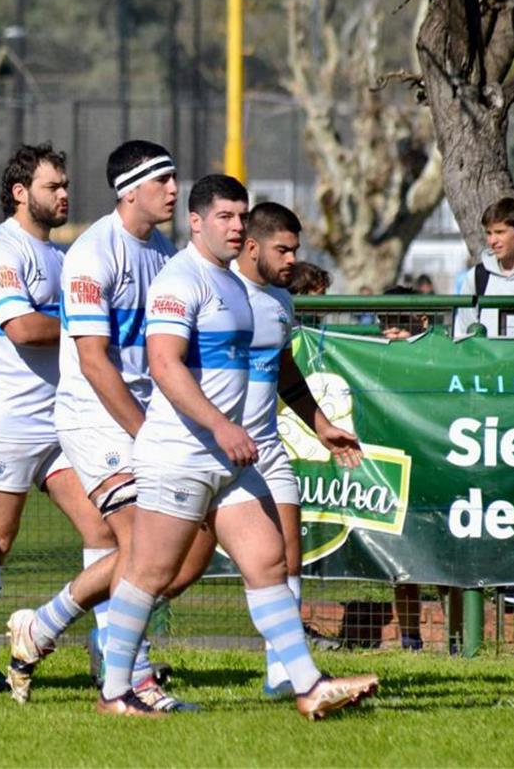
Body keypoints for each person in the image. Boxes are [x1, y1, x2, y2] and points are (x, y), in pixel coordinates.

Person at [94, 175, 378, 718]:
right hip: (182, 454)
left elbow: (276, 368)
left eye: (241, 216)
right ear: (195, 222)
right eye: (224, 216)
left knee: (269, 561)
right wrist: (222, 426)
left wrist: (317, 422)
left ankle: (307, 685)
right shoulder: (180, 280)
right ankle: (114, 692)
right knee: (151, 575)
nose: (235, 226)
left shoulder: (240, 289)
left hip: (231, 458)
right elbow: (164, 365)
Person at [5, 142, 185, 713]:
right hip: (95, 416)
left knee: (176, 554)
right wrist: (146, 431)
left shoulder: (165, 253)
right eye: (164, 181)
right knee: (141, 547)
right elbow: (92, 362)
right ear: (130, 190)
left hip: (146, 417)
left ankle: (41, 626)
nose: (175, 192)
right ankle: (134, 678)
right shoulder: (92, 254)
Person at [0, 144, 119, 687]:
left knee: (104, 528)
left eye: (67, 184)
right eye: (53, 186)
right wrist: (94, 326)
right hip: (5, 420)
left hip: (59, 422)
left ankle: (111, 658)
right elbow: (22, 329)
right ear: (22, 192)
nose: (65, 194)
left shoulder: (62, 256)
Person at [453, 197, 514, 337]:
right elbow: (464, 334)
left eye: (500, 232)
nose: (492, 241)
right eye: (489, 233)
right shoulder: (476, 277)